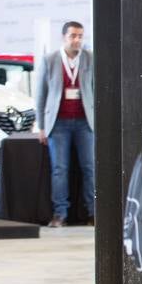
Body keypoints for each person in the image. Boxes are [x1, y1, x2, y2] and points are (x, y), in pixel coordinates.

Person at [34, 21, 95, 227]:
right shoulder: (50, 60)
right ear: (64, 37)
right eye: (73, 36)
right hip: (58, 123)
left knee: (90, 168)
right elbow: (40, 95)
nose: (77, 40)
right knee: (59, 169)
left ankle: (93, 213)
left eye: (80, 36)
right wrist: (41, 126)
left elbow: (97, 91)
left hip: (85, 122)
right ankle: (60, 214)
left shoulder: (90, 59)